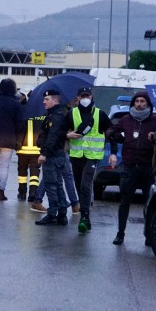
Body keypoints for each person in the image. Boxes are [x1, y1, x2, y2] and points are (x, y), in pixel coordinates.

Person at [105, 91, 156, 245]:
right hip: (129, 166)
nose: (139, 104)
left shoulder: (154, 122)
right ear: (133, 103)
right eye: (137, 101)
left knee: (149, 202)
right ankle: (120, 233)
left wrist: (155, 137)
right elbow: (111, 131)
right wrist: (114, 135)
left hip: (147, 167)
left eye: (143, 101)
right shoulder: (126, 119)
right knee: (124, 201)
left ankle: (149, 235)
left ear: (148, 104)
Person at [66, 85, 112, 234]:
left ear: (92, 97)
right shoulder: (71, 114)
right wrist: (67, 135)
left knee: (86, 185)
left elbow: (111, 133)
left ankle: (84, 217)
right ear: (78, 98)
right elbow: (60, 130)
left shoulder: (100, 114)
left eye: (88, 96)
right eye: (83, 96)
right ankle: (86, 215)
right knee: (79, 186)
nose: (85, 99)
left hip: (93, 157)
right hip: (77, 156)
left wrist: (113, 153)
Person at [34, 88, 71, 226]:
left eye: (47, 99)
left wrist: (44, 154)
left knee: (51, 185)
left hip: (52, 155)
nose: (44, 102)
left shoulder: (55, 116)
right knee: (58, 184)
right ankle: (61, 214)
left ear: (55, 100)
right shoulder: (56, 114)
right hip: (57, 154)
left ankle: (52, 214)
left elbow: (52, 136)